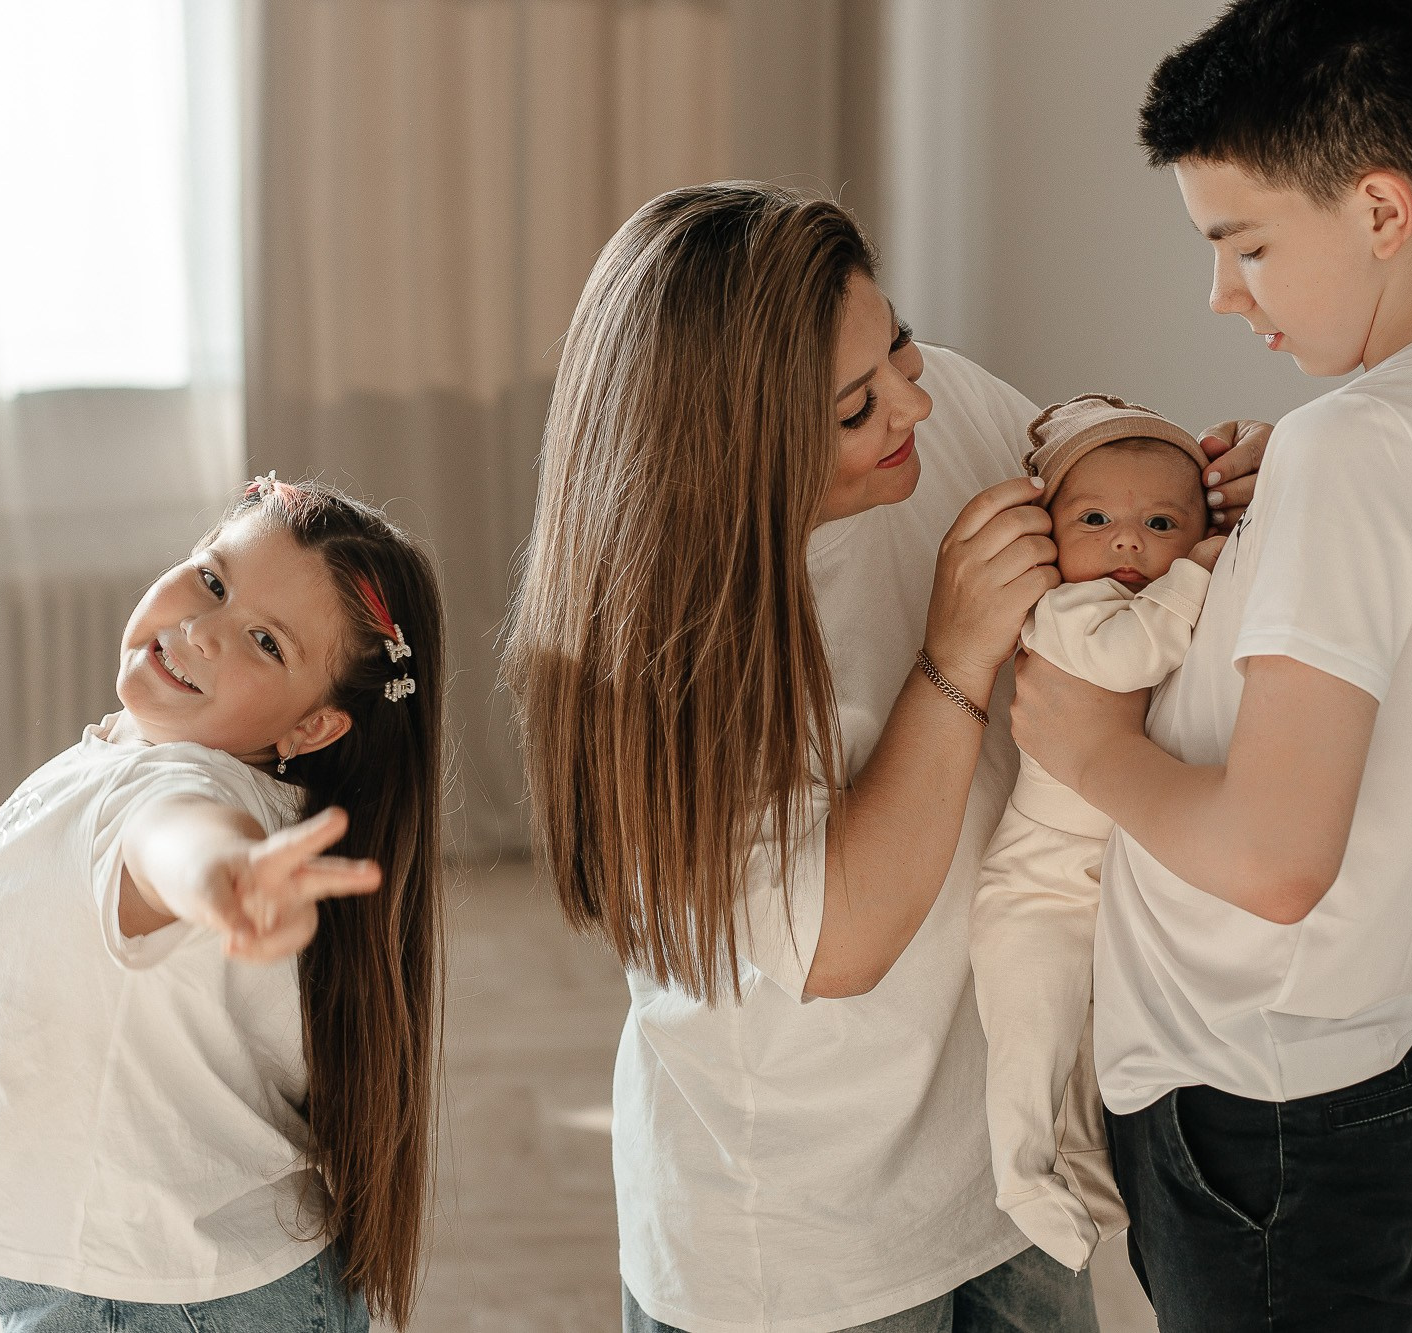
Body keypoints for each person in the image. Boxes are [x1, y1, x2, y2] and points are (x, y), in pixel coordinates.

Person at [502, 181, 1267, 1333]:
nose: (914, 399)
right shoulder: (659, 650)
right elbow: (839, 940)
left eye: (898, 340)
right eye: (858, 407)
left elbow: (1114, 524)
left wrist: (1213, 500)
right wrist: (951, 656)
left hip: (1002, 1176)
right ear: (736, 457)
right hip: (799, 1249)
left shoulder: (938, 403)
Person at [1013, 3, 1412, 1329]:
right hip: (1378, 1078)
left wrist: (1094, 750)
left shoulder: (1353, 448)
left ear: (1381, 210)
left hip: (1249, 1107)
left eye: (1247, 244)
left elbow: (1278, 862)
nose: (1222, 294)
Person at [0, 477, 446, 1332]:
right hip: (141, 1266)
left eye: (264, 641)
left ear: (313, 728)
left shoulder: (182, 784)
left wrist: (224, 876)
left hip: (160, 1292)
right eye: (213, 580)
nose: (205, 632)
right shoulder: (134, 751)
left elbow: (172, 836)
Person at [969, 394, 1221, 1266]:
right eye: (1096, 519)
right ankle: (1018, 1173)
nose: (1127, 542)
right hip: (1038, 885)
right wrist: (1199, 573)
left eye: (1161, 522)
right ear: (1051, 531)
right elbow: (1133, 657)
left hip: (1115, 884)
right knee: (1030, 1040)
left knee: (1088, 1051)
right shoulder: (1067, 614)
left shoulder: (1169, 606)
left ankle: (1080, 1176)